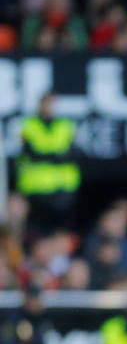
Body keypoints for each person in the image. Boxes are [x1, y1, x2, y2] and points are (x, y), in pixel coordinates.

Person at [16, 92, 81, 242]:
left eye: (52, 103)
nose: (49, 107)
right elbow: (29, 152)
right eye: (46, 103)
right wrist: (56, 156)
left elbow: (74, 152)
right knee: (36, 234)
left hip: (62, 188)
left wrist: (47, 156)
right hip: (36, 189)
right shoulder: (29, 125)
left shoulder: (65, 125)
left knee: (61, 232)